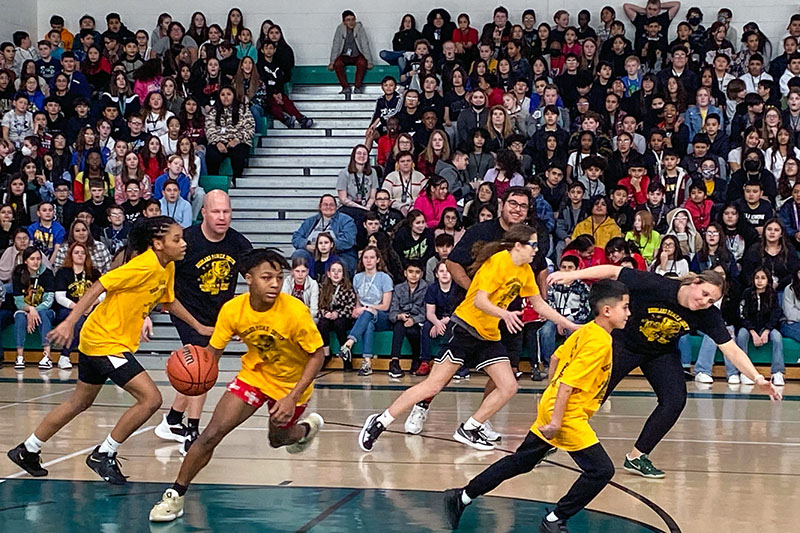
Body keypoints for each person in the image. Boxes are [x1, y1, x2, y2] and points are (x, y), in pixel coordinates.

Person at [7, 217, 212, 484]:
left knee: (80, 402)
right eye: (177, 239)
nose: (183, 243)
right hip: (104, 342)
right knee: (151, 399)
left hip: (101, 339)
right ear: (158, 244)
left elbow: (168, 301)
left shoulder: (167, 266)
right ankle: (104, 453)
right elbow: (98, 286)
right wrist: (69, 322)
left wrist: (199, 326)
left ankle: (28, 449)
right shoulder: (142, 265)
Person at [546, 265, 782, 479]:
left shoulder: (707, 315)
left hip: (660, 352)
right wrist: (571, 275)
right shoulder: (657, 285)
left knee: (674, 400)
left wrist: (758, 378)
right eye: (704, 294)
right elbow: (613, 271)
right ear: (694, 283)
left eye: (712, 300)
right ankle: (548, 440)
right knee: (592, 396)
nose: (705, 302)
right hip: (623, 344)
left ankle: (637, 456)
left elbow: (731, 349)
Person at [359, 225, 576, 453]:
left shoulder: (525, 271)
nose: (536, 250)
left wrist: (568, 324)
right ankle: (380, 420)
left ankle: (470, 427)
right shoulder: (497, 263)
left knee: (509, 385)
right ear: (518, 246)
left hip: (488, 335)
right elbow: (479, 301)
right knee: (433, 385)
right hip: (464, 328)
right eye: (532, 245)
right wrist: (504, 314)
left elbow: (538, 303)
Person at [148, 249, 325, 522]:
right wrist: (192, 368)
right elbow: (211, 355)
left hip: (291, 385)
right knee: (210, 434)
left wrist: (293, 396)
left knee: (276, 440)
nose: (275, 284)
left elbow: (318, 354)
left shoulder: (295, 312)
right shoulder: (232, 310)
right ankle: (175, 495)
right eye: (267, 277)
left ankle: (304, 430)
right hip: (253, 376)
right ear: (248, 278)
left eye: (279, 277)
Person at [443, 280, 630, 533]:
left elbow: (555, 358)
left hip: (553, 407)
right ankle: (555, 519)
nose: (628, 313)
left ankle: (462, 496)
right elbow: (567, 383)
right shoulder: (599, 342)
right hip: (566, 417)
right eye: (625, 307)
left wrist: (550, 396)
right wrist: (555, 420)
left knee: (522, 461)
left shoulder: (587, 331)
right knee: (601, 470)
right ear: (607, 310)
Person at [151, 191, 252, 453]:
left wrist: (244, 318)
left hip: (217, 314)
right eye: (216, 211)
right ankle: (192, 432)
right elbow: (161, 282)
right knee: (202, 365)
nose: (222, 217)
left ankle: (173, 420)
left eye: (226, 212)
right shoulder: (185, 242)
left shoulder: (239, 244)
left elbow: (254, 280)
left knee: (199, 374)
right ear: (204, 213)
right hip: (186, 310)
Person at [335, 246, 394, 376]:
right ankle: (367, 363)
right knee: (368, 323)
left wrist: (367, 309)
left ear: (377, 260)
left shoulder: (384, 278)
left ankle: (348, 344)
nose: (368, 261)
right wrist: (358, 310)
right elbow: (358, 302)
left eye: (372, 257)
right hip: (365, 317)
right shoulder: (357, 278)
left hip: (382, 316)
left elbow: (385, 306)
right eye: (365, 257)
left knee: (368, 313)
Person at [53, 242, 101, 370]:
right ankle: (65, 356)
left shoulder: (94, 273)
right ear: (71, 256)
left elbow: (104, 294)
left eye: (82, 253)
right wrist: (78, 308)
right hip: (67, 309)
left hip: (91, 308)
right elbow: (59, 297)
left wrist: (90, 304)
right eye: (76, 252)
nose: (80, 255)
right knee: (78, 320)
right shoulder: (63, 273)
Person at [736, 266, 785, 385]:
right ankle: (744, 371)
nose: (759, 281)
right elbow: (742, 314)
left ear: (768, 280)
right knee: (742, 335)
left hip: (767, 327)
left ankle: (777, 372)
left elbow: (775, 314)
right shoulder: (747, 293)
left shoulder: (772, 294)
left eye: (763, 278)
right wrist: (752, 332)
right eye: (757, 278)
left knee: (777, 337)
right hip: (749, 327)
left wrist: (767, 330)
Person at [11, 247, 55, 369]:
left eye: (38, 259)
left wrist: (35, 311)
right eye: (32, 259)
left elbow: (49, 300)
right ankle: (20, 357)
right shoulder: (18, 273)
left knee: (44, 314)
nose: (36, 262)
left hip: (45, 310)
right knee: (20, 316)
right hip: (25, 309)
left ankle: (47, 356)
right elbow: (18, 301)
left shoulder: (47, 274)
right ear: (25, 261)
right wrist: (31, 309)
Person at [292, 195, 357, 274]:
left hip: (338, 254)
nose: (328, 207)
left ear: (336, 207)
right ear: (319, 207)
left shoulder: (346, 220)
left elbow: (348, 241)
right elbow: (296, 238)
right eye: (325, 204)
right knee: (298, 254)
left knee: (338, 263)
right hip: (313, 254)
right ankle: (306, 284)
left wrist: (327, 247)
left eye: (331, 205)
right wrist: (307, 245)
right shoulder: (310, 221)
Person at [205, 87, 255, 186]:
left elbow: (250, 128)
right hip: (219, 142)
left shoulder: (243, 109)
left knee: (238, 153)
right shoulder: (213, 112)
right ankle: (215, 183)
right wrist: (217, 142)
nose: (226, 97)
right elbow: (209, 129)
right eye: (222, 95)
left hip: (239, 141)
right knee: (211, 153)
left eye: (228, 94)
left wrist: (237, 140)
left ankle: (236, 180)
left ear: (233, 96)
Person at [387, 259, 428, 378]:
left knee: (413, 330)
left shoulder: (426, 288)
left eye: (417, 272)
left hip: (418, 321)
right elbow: (392, 312)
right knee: (399, 326)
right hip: (401, 320)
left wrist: (414, 320)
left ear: (421, 274)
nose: (414, 275)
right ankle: (394, 362)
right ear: (405, 273)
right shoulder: (398, 288)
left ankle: (416, 359)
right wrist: (399, 316)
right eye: (410, 271)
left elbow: (426, 311)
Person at [317, 260, 356, 364]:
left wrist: (338, 313)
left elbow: (351, 306)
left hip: (343, 317)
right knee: (322, 323)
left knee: (340, 323)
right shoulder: (322, 288)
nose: (336, 273)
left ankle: (346, 352)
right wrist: (325, 313)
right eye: (333, 271)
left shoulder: (348, 288)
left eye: (339, 271)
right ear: (329, 274)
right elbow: (318, 305)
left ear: (343, 275)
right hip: (328, 316)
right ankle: (326, 353)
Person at [328, 10, 374, 94]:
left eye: (353, 19)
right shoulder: (339, 29)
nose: (351, 22)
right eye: (348, 20)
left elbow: (365, 45)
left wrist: (369, 61)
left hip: (357, 55)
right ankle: (345, 87)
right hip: (344, 56)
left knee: (362, 63)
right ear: (344, 22)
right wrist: (332, 62)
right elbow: (336, 45)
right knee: (337, 64)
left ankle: (357, 87)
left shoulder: (360, 29)